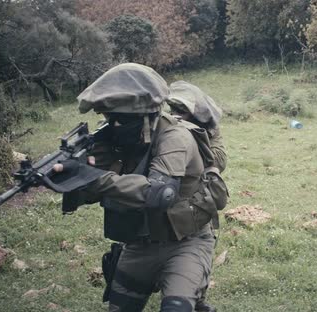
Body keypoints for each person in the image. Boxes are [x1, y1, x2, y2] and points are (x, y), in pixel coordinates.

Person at [53, 63, 217, 312]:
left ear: (146, 116)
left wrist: (93, 176)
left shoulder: (175, 137)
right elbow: (93, 193)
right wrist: (71, 178)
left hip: (186, 242)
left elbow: (161, 193)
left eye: (121, 120)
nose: (114, 125)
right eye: (109, 118)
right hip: (139, 245)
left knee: (176, 308)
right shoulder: (115, 139)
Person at [167, 81, 227, 312]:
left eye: (181, 111)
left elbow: (219, 160)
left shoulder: (209, 130)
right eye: (173, 109)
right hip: (164, 192)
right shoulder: (165, 127)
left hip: (196, 199)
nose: (175, 115)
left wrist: (193, 138)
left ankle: (197, 297)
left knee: (198, 251)